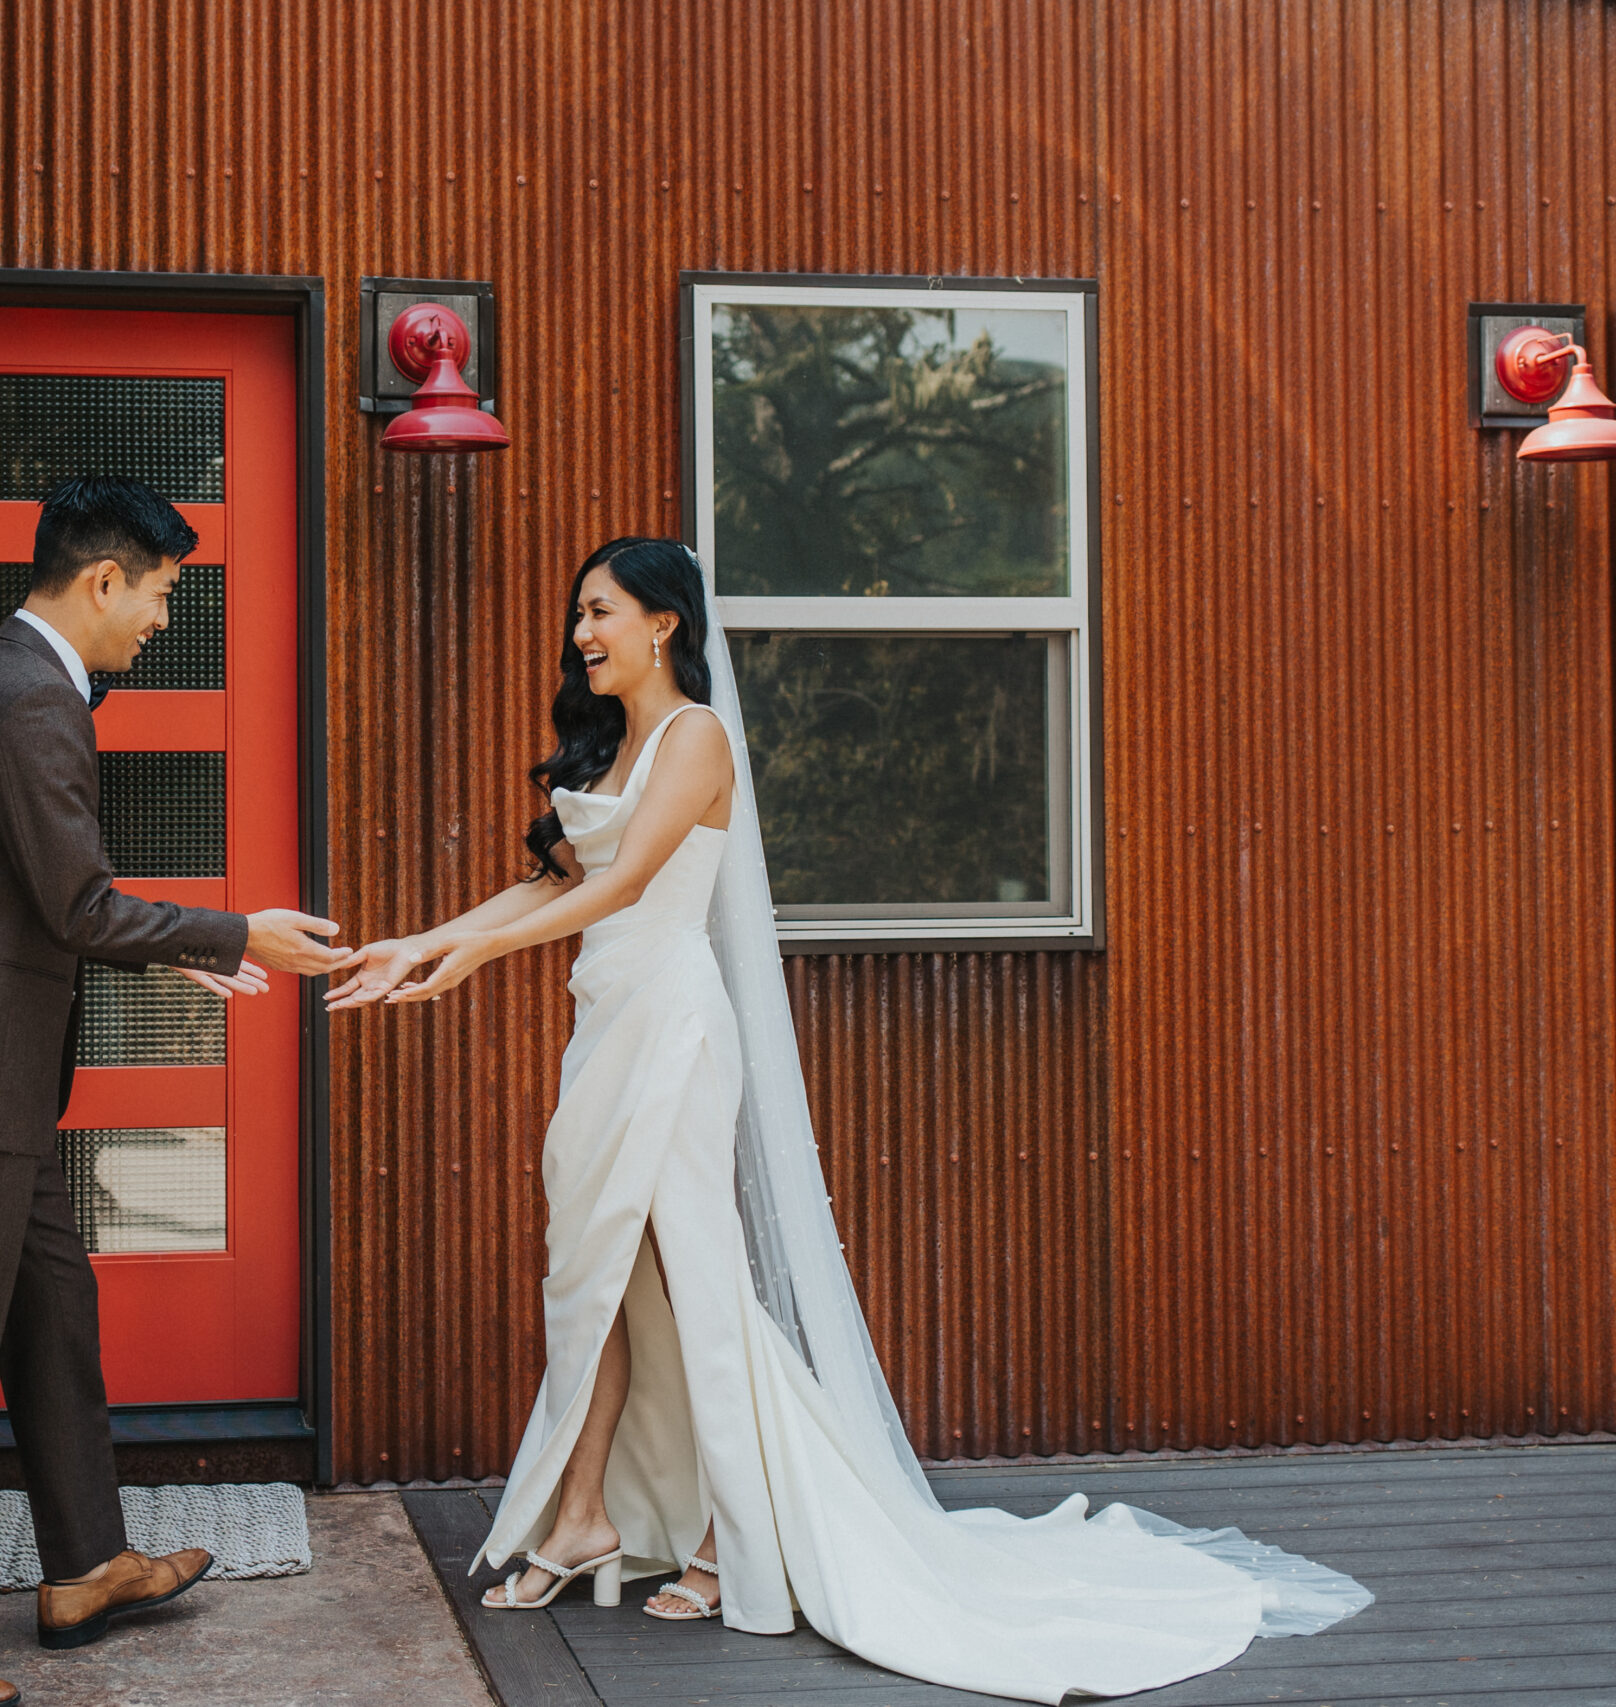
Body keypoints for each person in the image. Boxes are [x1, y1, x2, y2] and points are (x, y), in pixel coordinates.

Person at [330, 537, 1371, 1703]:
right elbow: (554, 884)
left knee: (694, 1280)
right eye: (579, 614)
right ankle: (579, 1519)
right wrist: (419, 942)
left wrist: (467, 960)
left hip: (671, 1028)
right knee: (598, 1278)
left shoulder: (695, 739)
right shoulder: (616, 745)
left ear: (664, 623)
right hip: (603, 1029)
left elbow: (619, 891)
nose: (582, 632)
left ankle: (737, 1532)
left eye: (601, 611)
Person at [0, 476, 352, 1707]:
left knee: (50, 1311)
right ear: (105, 580)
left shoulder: (20, 683)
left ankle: (86, 1564)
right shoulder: (29, 702)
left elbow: (42, 896)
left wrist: (181, 951)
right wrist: (233, 936)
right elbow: (77, 905)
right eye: (163, 594)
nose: (165, 620)